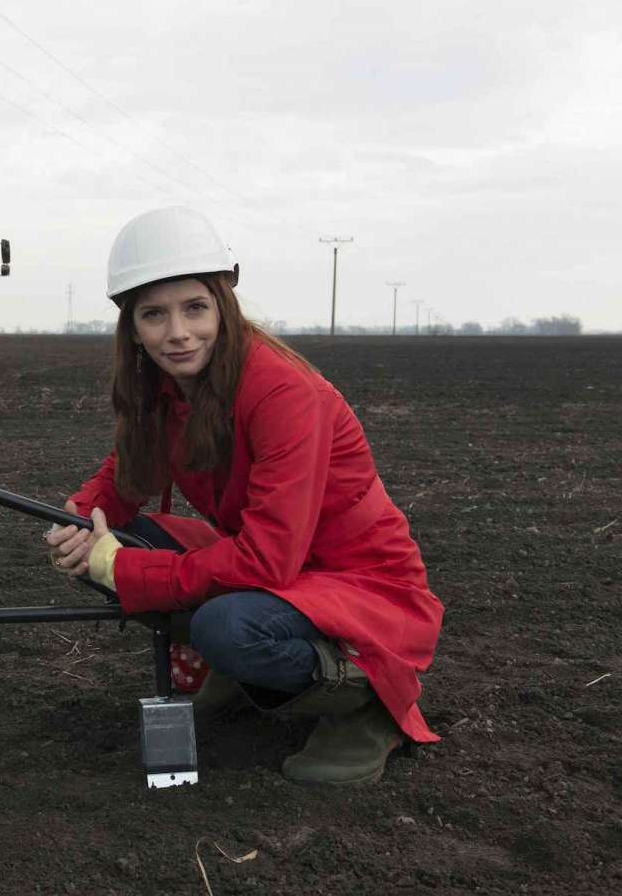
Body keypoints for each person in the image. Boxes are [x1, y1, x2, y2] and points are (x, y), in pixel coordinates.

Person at [44, 205, 442, 785]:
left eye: (195, 308)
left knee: (226, 628)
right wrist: (82, 519)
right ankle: (237, 674)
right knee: (115, 545)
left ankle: (368, 702)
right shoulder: (165, 386)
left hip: (360, 587)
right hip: (280, 573)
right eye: (154, 314)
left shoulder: (284, 391)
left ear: (223, 304)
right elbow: (126, 478)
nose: (177, 333)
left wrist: (124, 570)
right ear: (131, 325)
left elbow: (266, 559)